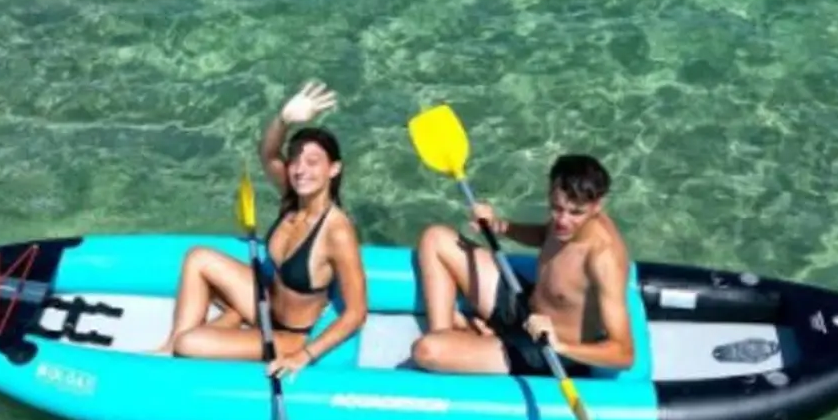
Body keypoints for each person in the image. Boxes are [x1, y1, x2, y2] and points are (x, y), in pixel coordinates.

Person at [158, 81, 368, 378]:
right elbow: (268, 154)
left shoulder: (337, 232)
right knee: (198, 257)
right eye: (294, 160)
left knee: (190, 343)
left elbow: (356, 313)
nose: (300, 170)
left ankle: (219, 326)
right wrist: (283, 119)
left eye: (312, 162)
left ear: (333, 169)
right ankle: (171, 346)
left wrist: (303, 356)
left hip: (289, 335)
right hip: (264, 303)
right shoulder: (293, 196)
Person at [409, 153, 635, 377]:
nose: (563, 220)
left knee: (426, 350)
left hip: (546, 350)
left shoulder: (603, 258)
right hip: (526, 308)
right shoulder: (564, 221)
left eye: (576, 213)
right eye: (556, 208)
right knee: (435, 237)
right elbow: (543, 235)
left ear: (597, 206)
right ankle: (446, 333)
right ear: (551, 192)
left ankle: (458, 343)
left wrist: (559, 346)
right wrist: (499, 226)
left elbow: (624, 354)